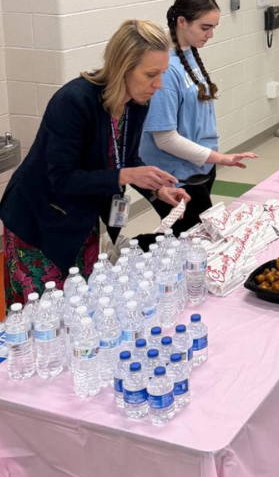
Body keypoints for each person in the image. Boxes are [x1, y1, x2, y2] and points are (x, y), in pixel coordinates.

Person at [0, 21, 190, 306]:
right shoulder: (74, 102)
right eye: (151, 74)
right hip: (38, 220)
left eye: (162, 74)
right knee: (42, 315)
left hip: (82, 217)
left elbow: (126, 159)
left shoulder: (137, 103)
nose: (158, 85)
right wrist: (126, 174)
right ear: (122, 67)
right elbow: (62, 178)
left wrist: (156, 188)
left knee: (81, 304)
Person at [139, 0, 257, 240]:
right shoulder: (166, 68)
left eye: (214, 27)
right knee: (195, 243)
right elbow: (165, 139)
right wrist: (220, 158)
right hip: (177, 176)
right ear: (182, 22)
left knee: (194, 239)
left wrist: (213, 159)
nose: (210, 35)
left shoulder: (188, 53)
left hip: (200, 165)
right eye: (205, 27)